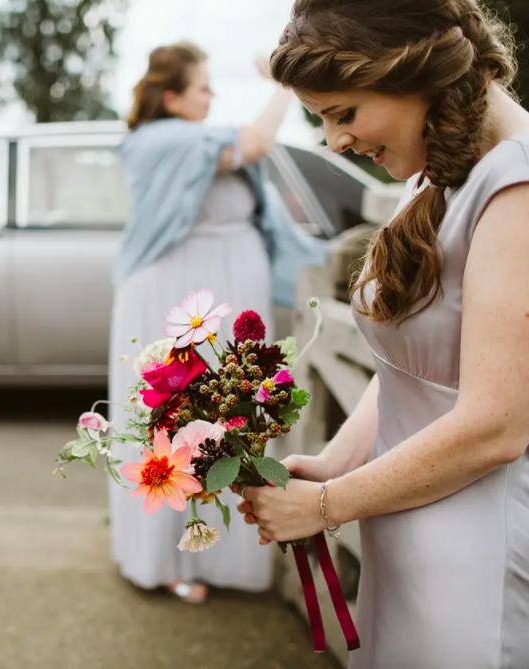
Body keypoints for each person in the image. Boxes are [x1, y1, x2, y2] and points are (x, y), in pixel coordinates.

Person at [237, 1, 529, 666]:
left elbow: (498, 423)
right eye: (321, 119)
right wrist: (336, 461)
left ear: (411, 70)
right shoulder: (435, 165)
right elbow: (415, 364)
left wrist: (330, 503)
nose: (336, 142)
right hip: (404, 522)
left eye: (344, 113)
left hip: (480, 544)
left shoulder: (517, 186)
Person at [108, 41, 326, 603]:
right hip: (176, 288)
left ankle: (238, 552)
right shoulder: (161, 140)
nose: (212, 97)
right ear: (171, 96)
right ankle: (171, 556)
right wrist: (283, 85)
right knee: (174, 418)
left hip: (230, 280)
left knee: (237, 412)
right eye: (203, 87)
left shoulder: (200, 139)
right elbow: (255, 142)